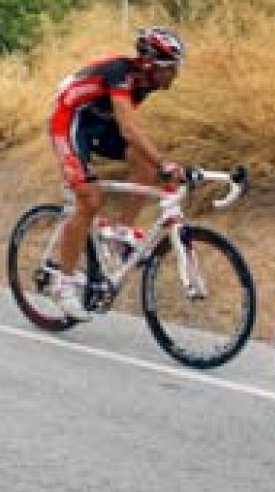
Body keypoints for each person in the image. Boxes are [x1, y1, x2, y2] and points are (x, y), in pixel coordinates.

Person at [45, 26, 186, 321]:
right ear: (151, 64)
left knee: (144, 164)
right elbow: (129, 129)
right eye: (170, 69)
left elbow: (131, 131)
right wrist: (164, 164)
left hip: (97, 124)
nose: (175, 75)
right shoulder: (120, 73)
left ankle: (121, 234)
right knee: (89, 199)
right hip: (71, 120)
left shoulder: (147, 82)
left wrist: (154, 164)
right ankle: (63, 283)